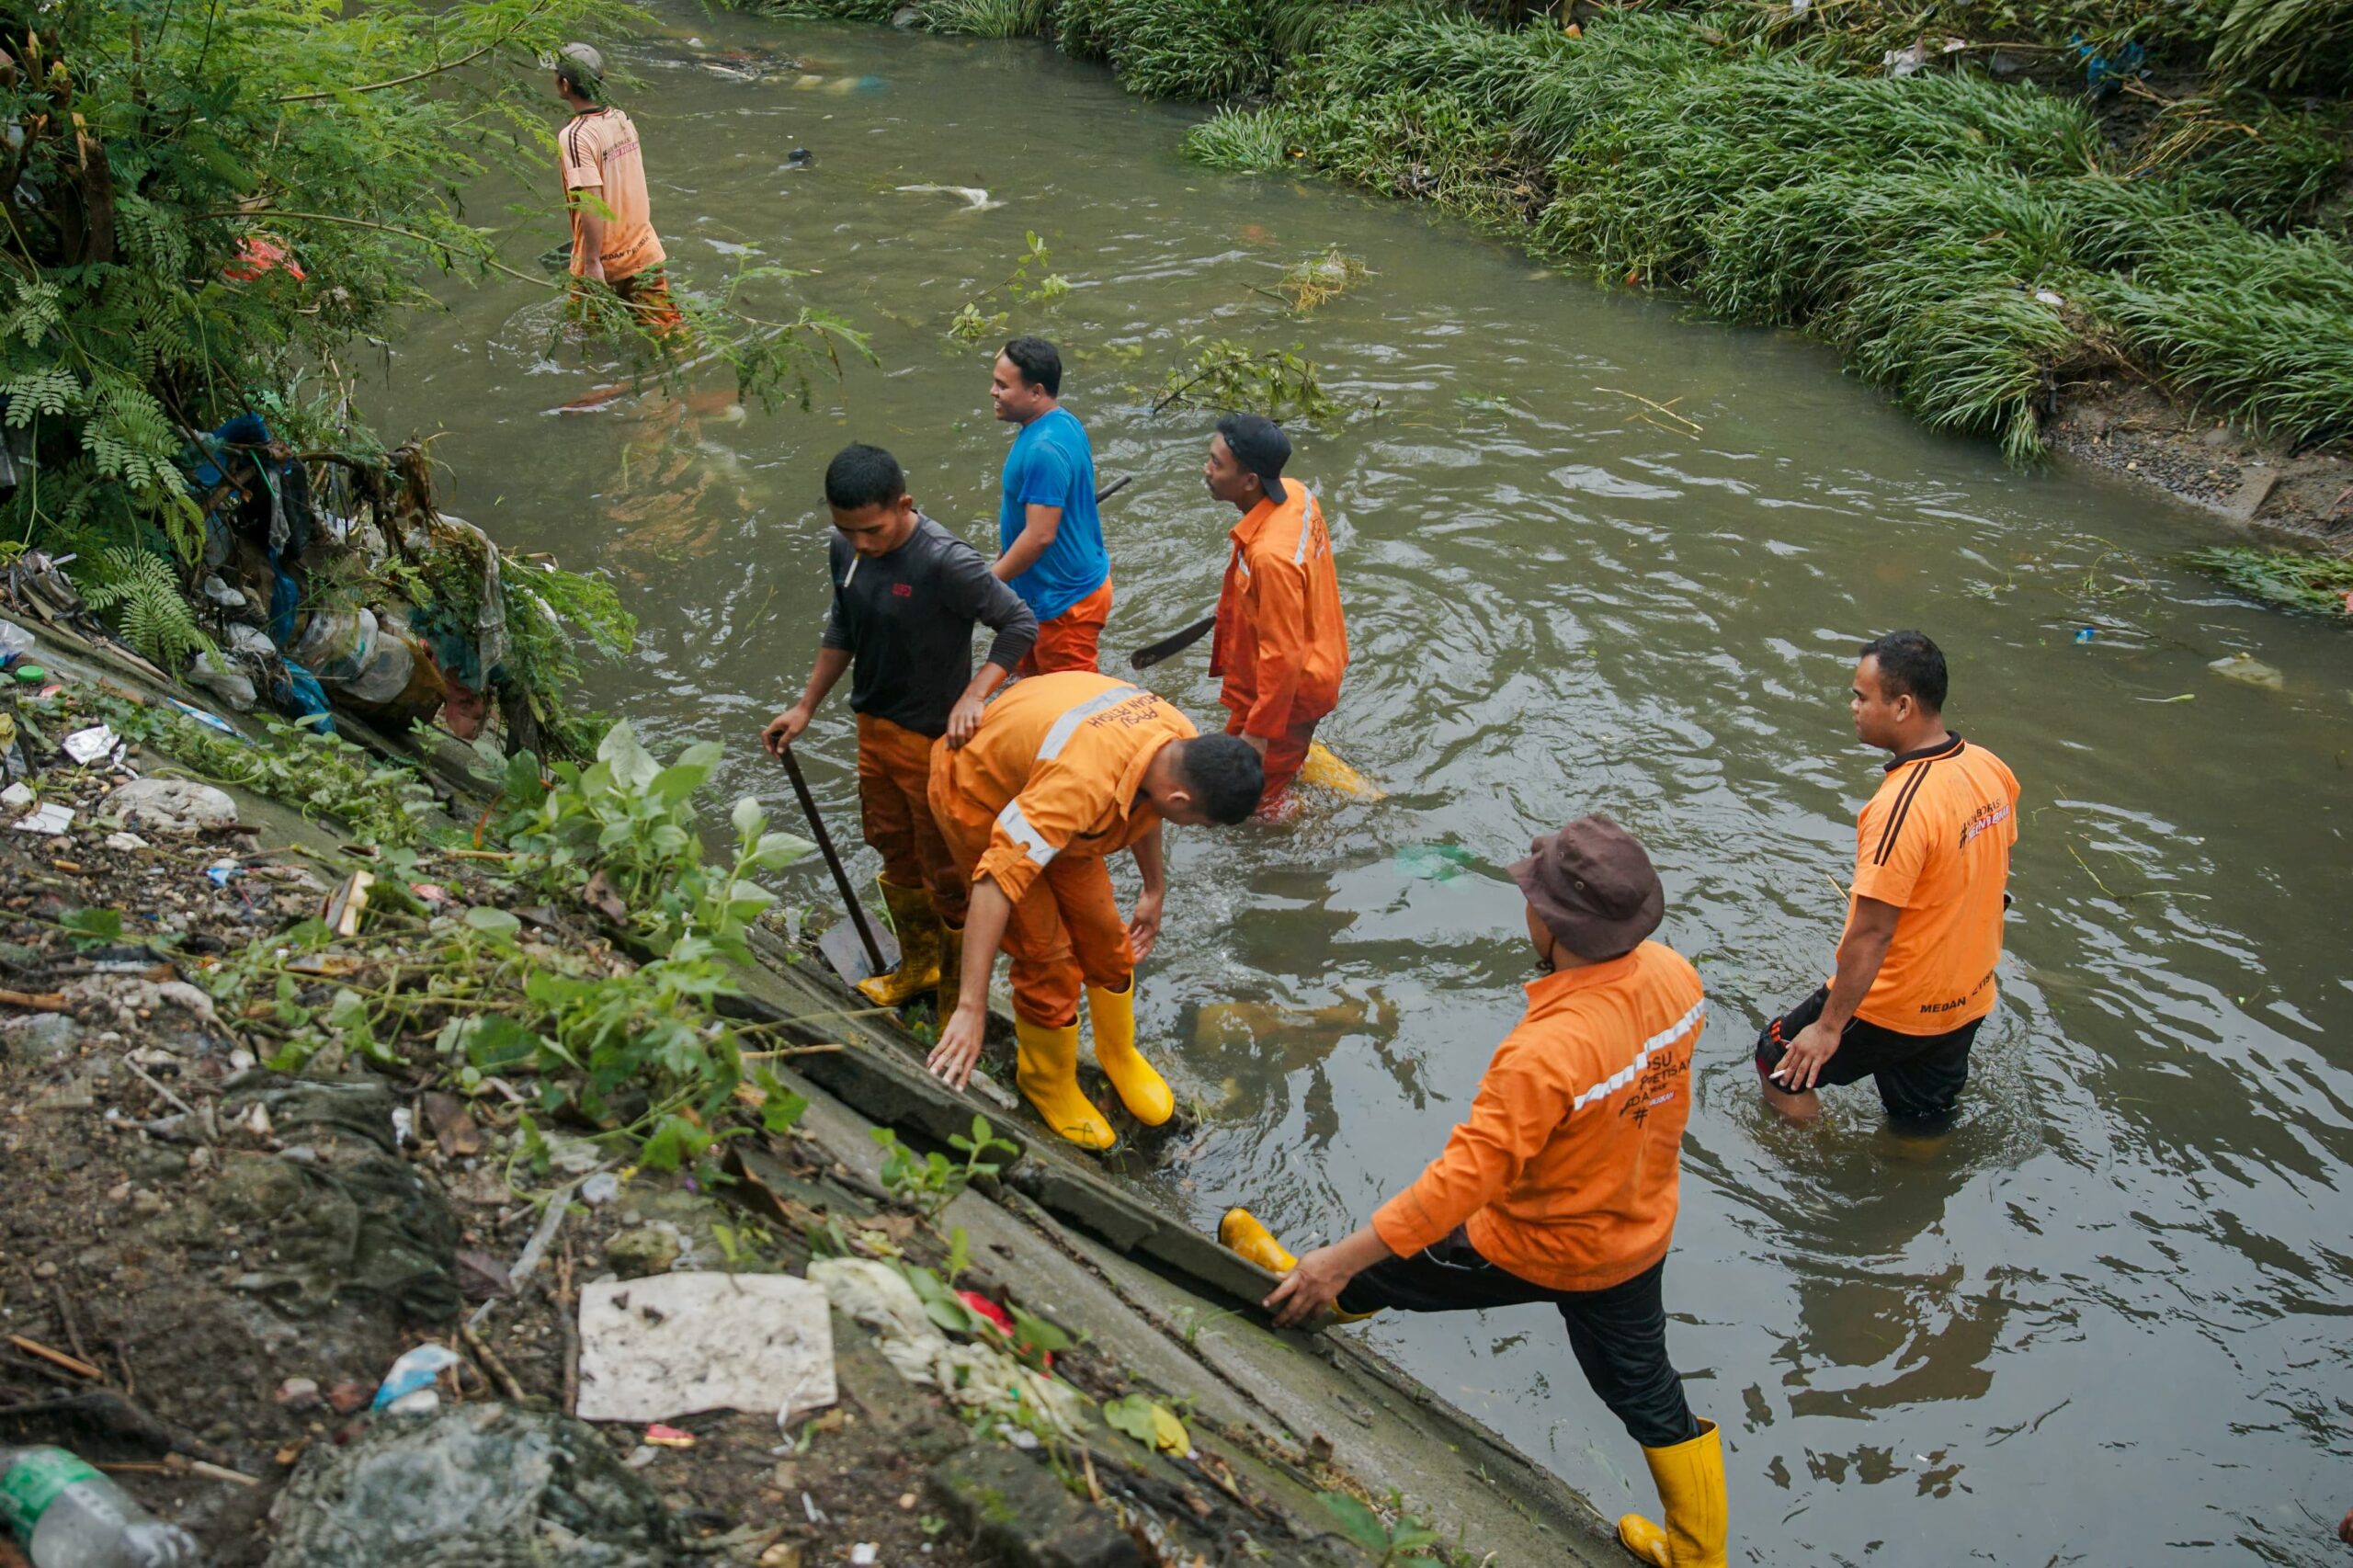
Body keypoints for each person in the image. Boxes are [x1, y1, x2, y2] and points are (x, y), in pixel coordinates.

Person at [1219, 813, 1723, 1568]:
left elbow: (1460, 1185)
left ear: (1549, 921)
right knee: (1649, 1395)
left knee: (1390, 1264)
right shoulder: (1678, 978)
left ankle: (1306, 1286)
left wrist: (1340, 1257)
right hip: (1635, 1232)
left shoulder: (1545, 1049)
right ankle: (1697, 1552)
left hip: (1533, 1243)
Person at [925, 673, 1261, 1150]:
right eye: (1200, 823)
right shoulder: (1082, 784)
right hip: (981, 791)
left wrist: (1154, 887)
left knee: (1106, 937)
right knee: (1047, 955)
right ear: (1182, 800)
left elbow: (1148, 806)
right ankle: (1046, 1080)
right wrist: (970, 1006)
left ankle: (1117, 1051)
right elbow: (996, 879)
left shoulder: (1180, 742)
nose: (1197, 827)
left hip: (1047, 788)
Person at [761, 444, 1037, 1009]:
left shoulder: (944, 560)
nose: (861, 543)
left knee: (947, 874)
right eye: (847, 529)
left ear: (904, 505)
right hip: (875, 728)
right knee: (891, 848)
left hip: (936, 741)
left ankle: (958, 1001)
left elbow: (1018, 623)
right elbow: (845, 622)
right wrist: (806, 705)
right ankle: (918, 967)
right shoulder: (845, 547)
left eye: (873, 530)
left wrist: (974, 695)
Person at [1756, 631, 2019, 1129]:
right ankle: (1914, 1189)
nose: (1853, 706)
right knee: (1920, 1115)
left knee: (1779, 1061)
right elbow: (1995, 871)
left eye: (1861, 697)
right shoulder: (1991, 769)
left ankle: (1812, 1173)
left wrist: (1829, 1028)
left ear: (1901, 706)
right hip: (1969, 996)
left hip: (1898, 1002)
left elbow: (1873, 932)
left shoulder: (1899, 807)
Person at [1201, 413, 1348, 814]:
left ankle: (1303, 834)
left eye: (1217, 463)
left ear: (1250, 481)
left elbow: (1283, 655)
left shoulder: (1271, 558)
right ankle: (1291, 761)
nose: (1207, 469)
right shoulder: (1296, 494)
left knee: (1254, 799)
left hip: (1290, 690)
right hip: (1315, 663)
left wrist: (1260, 733)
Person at [989, 338, 1111, 674]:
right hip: (1038, 594)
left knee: (1068, 706)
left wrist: (985, 585)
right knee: (1027, 685)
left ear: (1036, 392)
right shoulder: (1061, 422)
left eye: (1002, 385)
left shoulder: (1045, 448)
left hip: (1063, 602)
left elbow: (1041, 535)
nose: (992, 392)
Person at [550, 42, 681, 335]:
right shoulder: (622, 119)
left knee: (582, 338)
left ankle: (606, 383)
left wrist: (592, 263)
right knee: (667, 331)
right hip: (644, 250)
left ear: (565, 84)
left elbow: (591, 201)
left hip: (604, 262)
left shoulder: (575, 135)